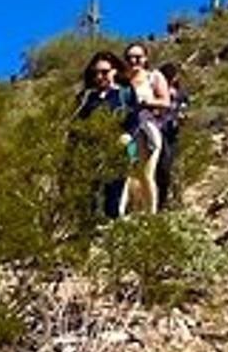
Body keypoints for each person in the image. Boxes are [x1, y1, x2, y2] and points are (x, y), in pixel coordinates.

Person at [76, 51, 137, 219]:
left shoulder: (125, 93)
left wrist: (127, 136)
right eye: (95, 72)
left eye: (104, 72)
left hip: (118, 150)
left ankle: (112, 232)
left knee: (114, 195)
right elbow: (76, 125)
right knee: (89, 197)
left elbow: (134, 118)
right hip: (90, 153)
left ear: (115, 71)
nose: (100, 76)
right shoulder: (86, 97)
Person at [123, 41, 174, 215]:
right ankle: (128, 213)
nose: (133, 61)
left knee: (147, 174)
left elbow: (166, 102)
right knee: (128, 176)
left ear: (145, 58)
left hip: (148, 129)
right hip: (127, 131)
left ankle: (151, 215)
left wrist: (147, 103)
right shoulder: (123, 81)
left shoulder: (154, 77)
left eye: (137, 57)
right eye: (130, 58)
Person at [156, 61, 189, 210]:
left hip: (172, 133)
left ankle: (162, 202)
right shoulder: (156, 92)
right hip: (157, 131)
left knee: (166, 167)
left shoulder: (181, 94)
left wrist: (182, 118)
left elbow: (184, 110)